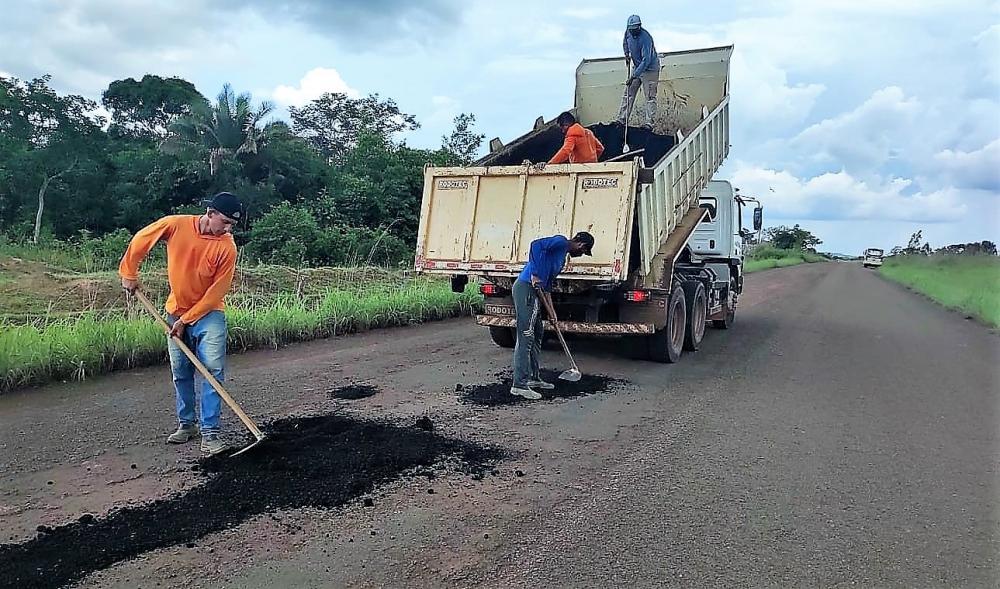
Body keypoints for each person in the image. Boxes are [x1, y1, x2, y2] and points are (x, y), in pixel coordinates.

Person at [118, 192, 242, 455]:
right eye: (226, 222)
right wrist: (129, 272)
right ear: (210, 214)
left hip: (208, 315)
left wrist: (186, 321)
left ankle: (210, 434)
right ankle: (187, 425)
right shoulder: (176, 225)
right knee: (181, 371)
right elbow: (142, 239)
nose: (228, 229)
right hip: (176, 311)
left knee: (212, 371)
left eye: (232, 224)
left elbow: (215, 294)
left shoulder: (227, 247)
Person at [511, 231, 595, 400]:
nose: (580, 255)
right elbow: (535, 244)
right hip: (526, 288)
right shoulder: (560, 242)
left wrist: (553, 313)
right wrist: (534, 272)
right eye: (583, 251)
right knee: (526, 335)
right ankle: (519, 384)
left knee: (538, 333)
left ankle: (534, 378)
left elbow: (547, 288)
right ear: (580, 244)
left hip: (538, 291)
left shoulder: (561, 260)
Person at [617, 14, 660, 128]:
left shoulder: (646, 38)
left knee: (650, 97)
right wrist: (626, 54)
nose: (632, 32)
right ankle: (622, 119)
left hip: (650, 70)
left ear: (639, 27)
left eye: (635, 29)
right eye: (631, 29)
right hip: (636, 66)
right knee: (628, 93)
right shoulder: (628, 32)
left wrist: (634, 76)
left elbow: (646, 61)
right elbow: (625, 43)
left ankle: (649, 123)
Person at [536, 112, 604, 170]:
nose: (562, 131)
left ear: (566, 125)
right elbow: (600, 148)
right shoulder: (589, 132)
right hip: (593, 169)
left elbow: (565, 151)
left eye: (562, 128)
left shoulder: (572, 134)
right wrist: (592, 162)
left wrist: (550, 164)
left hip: (580, 170)